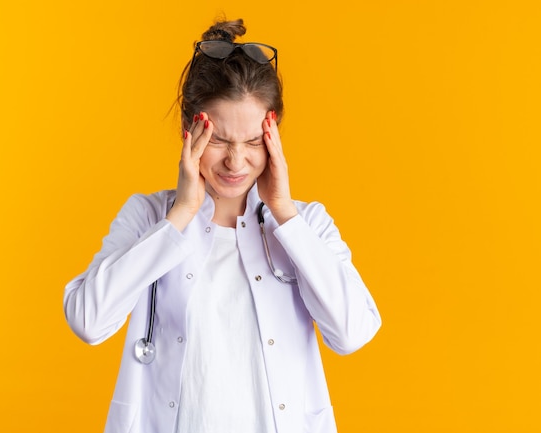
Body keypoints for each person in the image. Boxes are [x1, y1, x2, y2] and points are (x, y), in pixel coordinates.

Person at [64, 18, 381, 433]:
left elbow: (352, 333)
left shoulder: (306, 224)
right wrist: (180, 214)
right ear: (189, 132)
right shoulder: (148, 216)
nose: (236, 161)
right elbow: (89, 321)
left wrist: (284, 212)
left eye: (252, 142)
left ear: (273, 138)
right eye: (218, 140)